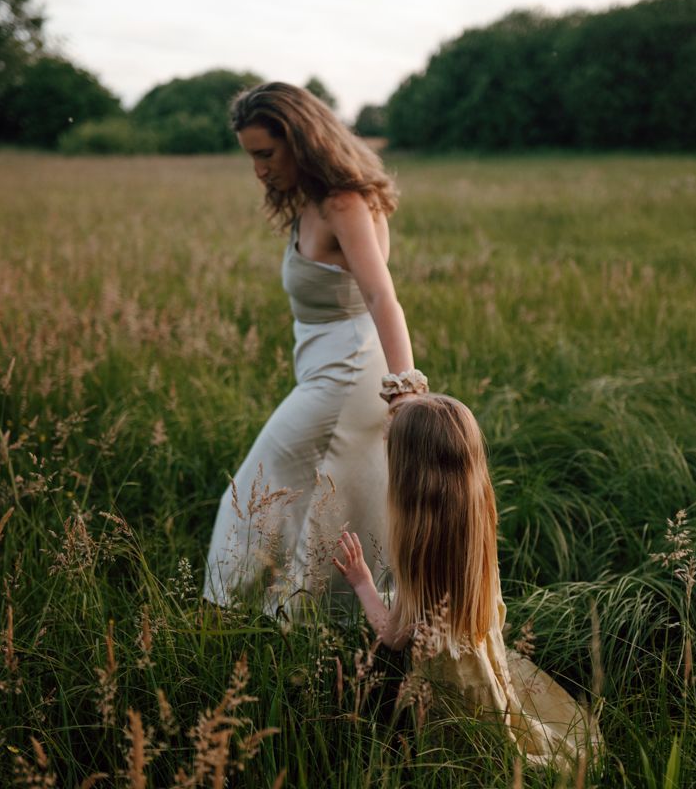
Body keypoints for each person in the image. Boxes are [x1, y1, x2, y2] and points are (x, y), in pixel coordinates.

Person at [203, 82, 427, 612]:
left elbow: (381, 295)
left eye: (265, 153)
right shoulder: (310, 198)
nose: (258, 169)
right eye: (250, 157)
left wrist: (406, 389)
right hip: (327, 369)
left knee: (254, 492)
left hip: (349, 375)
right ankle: (324, 623)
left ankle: (223, 610)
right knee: (334, 501)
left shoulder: (343, 203)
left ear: (300, 139)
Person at [332, 394, 601, 768]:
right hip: (484, 672)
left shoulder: (421, 553)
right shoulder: (476, 530)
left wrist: (362, 582)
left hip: (455, 694)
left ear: (408, 481)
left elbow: (392, 636)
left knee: (474, 763)